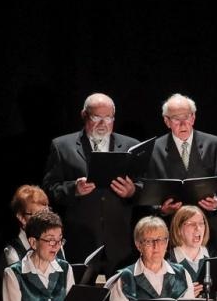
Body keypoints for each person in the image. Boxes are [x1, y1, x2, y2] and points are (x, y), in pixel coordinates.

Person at [41, 92, 144, 268]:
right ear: (84, 115)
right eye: (96, 117)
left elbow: (144, 185)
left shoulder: (130, 146)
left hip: (120, 243)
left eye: (108, 118)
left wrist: (132, 191)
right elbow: (49, 190)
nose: (103, 124)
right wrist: (74, 188)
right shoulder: (62, 146)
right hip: (80, 242)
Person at [141, 93, 217, 244]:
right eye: (176, 119)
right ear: (167, 121)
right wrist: (161, 209)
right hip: (173, 230)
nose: (183, 123)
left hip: (207, 228)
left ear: (193, 118)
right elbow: (147, 188)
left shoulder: (214, 144)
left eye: (186, 117)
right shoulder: (153, 149)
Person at [2, 184, 51, 267]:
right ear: (22, 218)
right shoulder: (13, 251)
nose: (45, 220)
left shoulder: (55, 243)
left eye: (47, 213)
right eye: (39, 215)